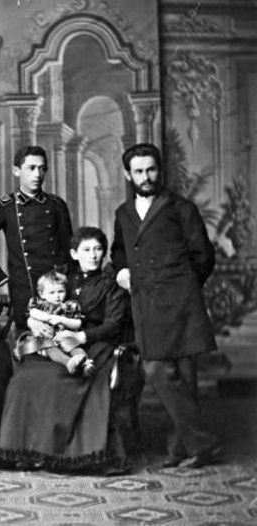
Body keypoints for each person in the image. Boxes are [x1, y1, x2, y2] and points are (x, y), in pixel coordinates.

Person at [112, 143, 220, 469]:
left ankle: (181, 449)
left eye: (151, 169)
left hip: (181, 304)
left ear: (160, 170)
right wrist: (122, 269)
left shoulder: (181, 207)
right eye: (139, 171)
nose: (146, 177)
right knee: (157, 369)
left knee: (185, 377)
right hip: (147, 304)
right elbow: (119, 250)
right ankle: (202, 442)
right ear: (128, 175)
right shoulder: (123, 213)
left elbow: (203, 255)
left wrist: (182, 289)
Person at [0, 226, 131, 475]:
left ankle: (63, 452)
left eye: (98, 249)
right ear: (74, 253)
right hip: (55, 341)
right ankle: (28, 451)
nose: (93, 255)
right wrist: (33, 321)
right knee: (23, 378)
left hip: (93, 343)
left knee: (62, 378)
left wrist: (80, 336)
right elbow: (40, 304)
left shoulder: (110, 285)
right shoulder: (63, 278)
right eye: (86, 250)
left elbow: (113, 325)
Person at [0, 145, 73, 332]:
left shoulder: (57, 205)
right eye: (31, 168)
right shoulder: (5, 206)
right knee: (28, 343)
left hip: (57, 289)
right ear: (16, 171)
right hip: (24, 289)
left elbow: (69, 250)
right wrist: (1, 280)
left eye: (42, 168)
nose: (37, 174)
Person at [18, 270, 95, 377]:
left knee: (75, 346)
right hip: (45, 338)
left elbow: (78, 323)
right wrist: (48, 318)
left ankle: (86, 364)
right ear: (42, 294)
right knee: (50, 348)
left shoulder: (69, 305)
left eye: (61, 291)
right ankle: (69, 363)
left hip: (64, 336)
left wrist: (62, 320)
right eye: (52, 293)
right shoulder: (39, 304)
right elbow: (32, 312)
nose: (57, 296)